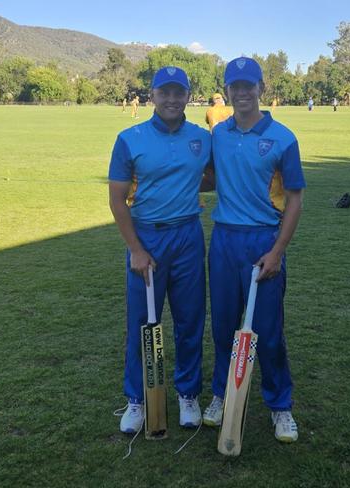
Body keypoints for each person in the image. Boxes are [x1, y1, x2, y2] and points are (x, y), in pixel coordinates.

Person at [202, 57, 305, 443]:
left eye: (249, 85)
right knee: (224, 327)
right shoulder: (218, 135)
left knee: (268, 331)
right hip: (225, 239)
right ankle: (220, 395)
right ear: (226, 91)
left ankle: (280, 406)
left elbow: (294, 199)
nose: (242, 93)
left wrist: (278, 251)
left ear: (262, 88)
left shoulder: (283, 138)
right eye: (235, 86)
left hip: (263, 240)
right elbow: (207, 179)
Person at [108, 66, 212, 434]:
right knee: (142, 322)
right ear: (152, 95)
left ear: (187, 95)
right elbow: (117, 200)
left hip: (187, 236)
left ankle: (187, 394)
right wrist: (135, 249)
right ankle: (137, 400)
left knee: (190, 320)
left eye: (178, 92)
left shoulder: (202, 138)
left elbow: (213, 177)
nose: (171, 99)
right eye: (164, 92)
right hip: (146, 238)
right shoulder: (129, 138)